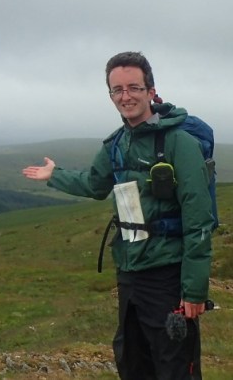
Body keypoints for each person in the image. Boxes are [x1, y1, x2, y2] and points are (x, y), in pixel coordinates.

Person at [22, 51, 214, 379]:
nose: (125, 96)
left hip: (167, 275)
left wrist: (194, 291)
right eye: (117, 90)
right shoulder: (116, 144)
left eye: (134, 88)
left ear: (151, 91)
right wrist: (54, 175)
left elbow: (199, 219)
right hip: (129, 271)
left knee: (174, 366)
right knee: (133, 362)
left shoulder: (178, 142)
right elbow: (94, 184)